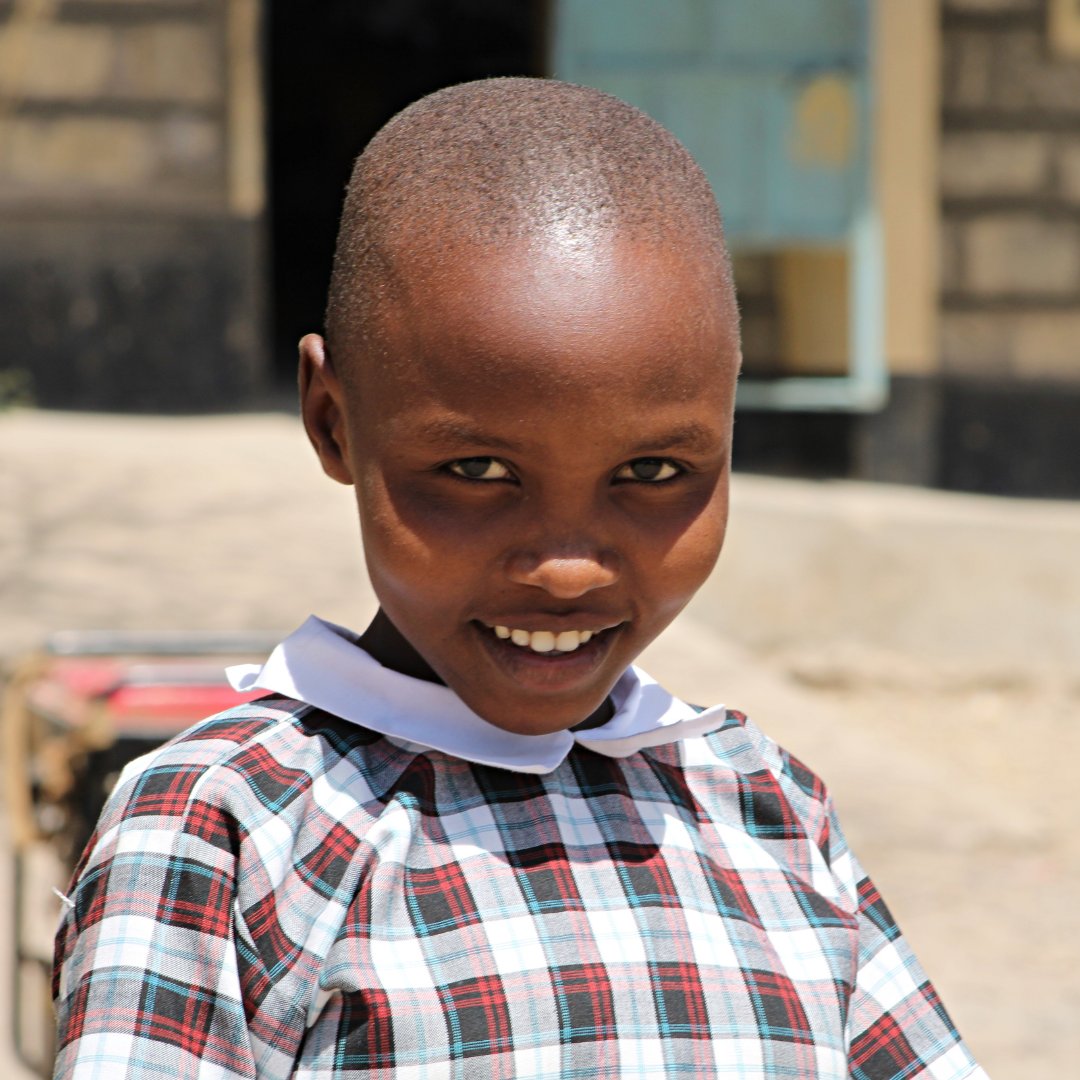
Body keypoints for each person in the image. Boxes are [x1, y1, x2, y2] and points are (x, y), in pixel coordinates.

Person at [52, 78, 987, 1079]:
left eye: (654, 474)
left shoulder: (760, 805)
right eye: (480, 473)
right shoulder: (232, 827)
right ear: (333, 422)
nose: (568, 566)